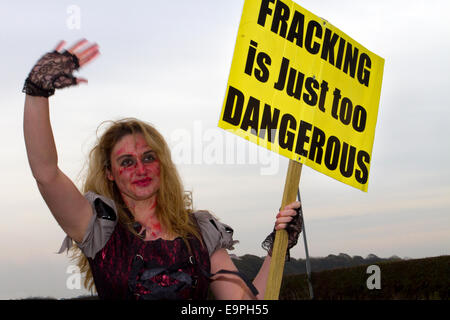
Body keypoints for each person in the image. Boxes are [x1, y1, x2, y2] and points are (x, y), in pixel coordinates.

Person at [22, 39, 303, 300]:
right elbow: (46, 173)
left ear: (162, 164)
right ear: (110, 172)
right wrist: (37, 90)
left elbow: (245, 305)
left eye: (148, 157)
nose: (140, 169)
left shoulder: (200, 233)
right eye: (127, 162)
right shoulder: (99, 229)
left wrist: (279, 247)